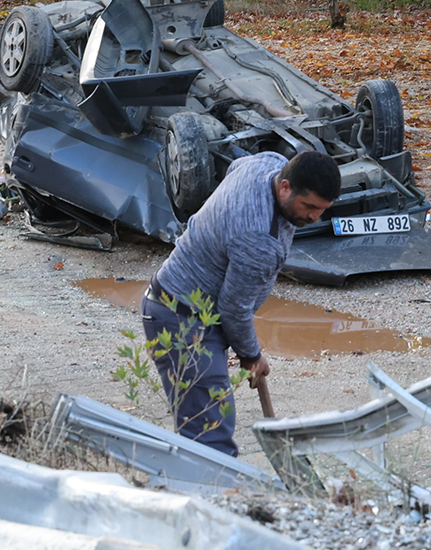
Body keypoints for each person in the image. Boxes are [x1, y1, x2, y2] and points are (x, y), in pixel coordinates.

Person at [142, 150, 340, 456]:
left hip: (185, 307)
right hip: (183, 322)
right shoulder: (258, 239)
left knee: (205, 429)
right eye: (310, 207)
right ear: (285, 187)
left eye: (323, 210)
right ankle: (209, 499)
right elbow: (234, 310)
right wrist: (251, 355)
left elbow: (236, 165)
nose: (315, 217)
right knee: (209, 439)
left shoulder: (267, 164)